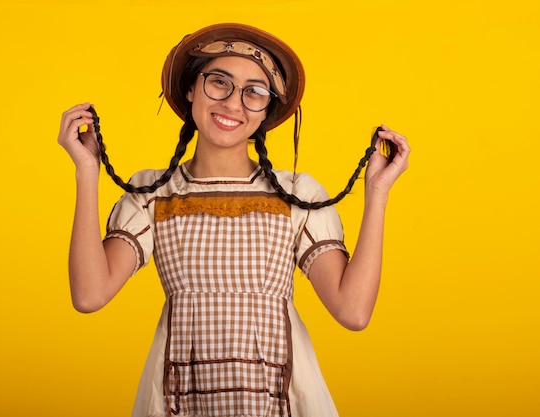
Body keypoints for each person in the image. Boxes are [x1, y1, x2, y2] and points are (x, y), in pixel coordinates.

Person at [57, 23, 409, 417]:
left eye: (254, 92)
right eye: (219, 82)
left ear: (267, 110)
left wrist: (377, 193)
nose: (233, 103)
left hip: (282, 401)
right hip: (179, 401)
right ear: (191, 88)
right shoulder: (154, 194)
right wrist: (86, 172)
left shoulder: (298, 196)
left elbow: (353, 311)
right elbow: (89, 295)